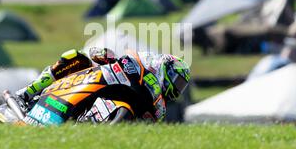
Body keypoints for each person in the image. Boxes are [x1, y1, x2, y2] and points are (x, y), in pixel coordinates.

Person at [15, 47, 191, 122]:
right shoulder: (145, 67)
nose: (177, 88)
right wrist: (105, 55)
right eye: (177, 81)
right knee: (76, 57)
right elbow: (95, 53)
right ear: (164, 69)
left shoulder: (160, 106)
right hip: (89, 79)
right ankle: (27, 92)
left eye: (181, 85)